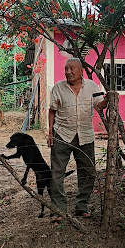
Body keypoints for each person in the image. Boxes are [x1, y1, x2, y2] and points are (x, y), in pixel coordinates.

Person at [48, 58, 108, 222]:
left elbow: (99, 105)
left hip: (85, 136)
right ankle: (59, 209)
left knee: (88, 172)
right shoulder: (58, 87)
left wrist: (107, 99)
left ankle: (81, 206)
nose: (68, 72)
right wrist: (50, 132)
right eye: (66, 69)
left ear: (81, 71)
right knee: (57, 173)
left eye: (72, 69)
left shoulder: (92, 86)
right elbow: (52, 110)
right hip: (62, 134)